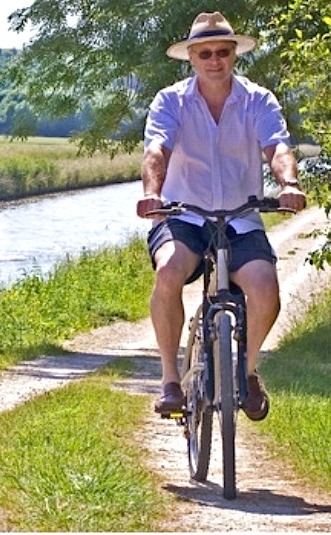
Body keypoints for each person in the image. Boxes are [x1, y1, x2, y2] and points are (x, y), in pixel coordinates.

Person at [135, 12, 307, 420]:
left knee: (265, 288)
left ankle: (247, 373)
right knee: (168, 272)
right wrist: (152, 194)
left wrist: (289, 183)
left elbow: (277, 147)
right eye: (206, 53)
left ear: (234, 55)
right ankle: (171, 381)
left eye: (223, 52)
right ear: (192, 58)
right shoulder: (170, 100)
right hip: (184, 214)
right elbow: (157, 149)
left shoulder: (257, 99)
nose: (215, 60)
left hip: (240, 216)